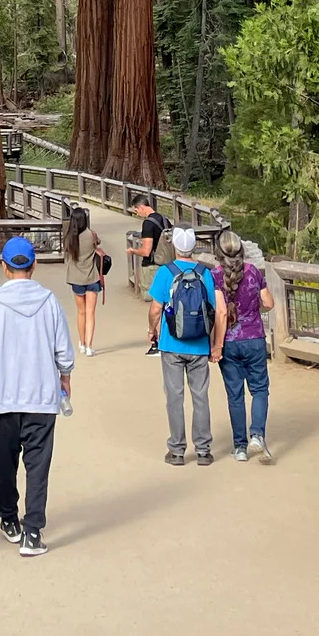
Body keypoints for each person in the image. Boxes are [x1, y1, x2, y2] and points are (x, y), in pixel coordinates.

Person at [0, 236, 74, 556]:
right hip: (41, 394)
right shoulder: (49, 301)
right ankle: (33, 531)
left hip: (3, 395)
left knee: (5, 461)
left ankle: (8, 518)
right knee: (38, 464)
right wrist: (65, 377)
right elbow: (63, 349)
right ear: (34, 266)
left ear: (3, 267)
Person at [148, 229, 223, 467]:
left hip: (171, 343)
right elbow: (212, 310)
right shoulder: (205, 273)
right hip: (199, 344)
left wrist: (153, 330)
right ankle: (203, 450)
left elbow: (155, 308)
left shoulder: (165, 272)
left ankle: (177, 450)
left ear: (176, 248)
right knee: (200, 396)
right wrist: (213, 343)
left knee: (174, 396)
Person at [216, 228, 275, 462]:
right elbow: (268, 302)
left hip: (229, 342)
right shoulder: (252, 272)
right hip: (254, 338)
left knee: (235, 394)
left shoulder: (214, 276)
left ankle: (239, 447)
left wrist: (217, 345)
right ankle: (257, 436)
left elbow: (220, 313)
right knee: (259, 389)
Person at [63, 207, 104, 356]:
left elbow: (66, 253)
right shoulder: (91, 235)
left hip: (76, 278)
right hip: (92, 276)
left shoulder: (69, 238)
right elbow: (97, 245)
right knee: (90, 313)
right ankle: (89, 346)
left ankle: (81, 343)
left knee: (81, 312)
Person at [133, 197, 171, 352]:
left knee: (156, 304)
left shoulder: (148, 224)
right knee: (167, 303)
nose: (137, 213)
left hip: (153, 266)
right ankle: (166, 339)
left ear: (142, 207)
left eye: (136, 210)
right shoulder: (165, 219)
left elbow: (146, 250)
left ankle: (156, 341)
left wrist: (133, 251)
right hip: (168, 265)